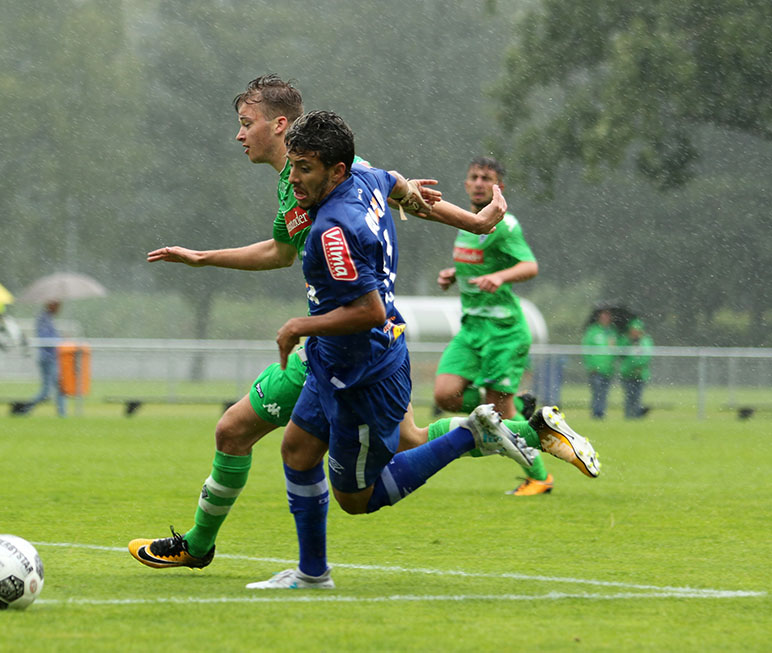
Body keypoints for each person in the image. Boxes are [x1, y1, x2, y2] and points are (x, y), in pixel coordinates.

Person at [129, 74, 522, 571]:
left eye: (246, 124)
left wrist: (476, 222)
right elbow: (281, 251)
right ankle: (522, 429)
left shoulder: (335, 175)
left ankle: (225, 551)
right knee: (393, 441)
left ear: (279, 124)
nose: (239, 134)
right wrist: (203, 258)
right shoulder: (293, 183)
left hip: (344, 344)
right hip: (350, 339)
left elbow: (394, 192)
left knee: (246, 437)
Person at [246, 111, 549, 589]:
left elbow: (368, 311)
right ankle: (311, 573)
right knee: (298, 450)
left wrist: (296, 326)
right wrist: (473, 220)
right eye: (294, 165)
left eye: (305, 168)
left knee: (357, 498)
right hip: (333, 358)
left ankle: (470, 436)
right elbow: (402, 186)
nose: (295, 178)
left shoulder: (333, 230)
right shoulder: (367, 176)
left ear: (336, 171)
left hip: (363, 371)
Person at [432, 157, 557, 496]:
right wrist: (454, 274)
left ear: (498, 186)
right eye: (473, 177)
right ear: (464, 183)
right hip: (472, 329)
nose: (477, 183)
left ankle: (540, 477)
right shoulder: (466, 223)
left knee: (497, 411)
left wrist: (499, 277)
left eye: (486, 178)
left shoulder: (505, 224)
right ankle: (516, 410)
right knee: (445, 394)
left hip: (504, 331)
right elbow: (476, 263)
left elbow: (529, 265)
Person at [14, 300, 66, 416]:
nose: (59, 309)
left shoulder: (47, 319)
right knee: (52, 389)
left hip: (50, 358)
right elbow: (45, 338)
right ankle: (24, 409)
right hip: (48, 358)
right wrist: (59, 340)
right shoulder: (44, 319)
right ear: (51, 305)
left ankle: (25, 409)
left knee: (53, 389)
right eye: (58, 306)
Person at [583, 308, 617, 419]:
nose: (605, 319)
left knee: (604, 393)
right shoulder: (593, 331)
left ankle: (601, 413)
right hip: (596, 369)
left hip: (608, 369)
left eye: (607, 316)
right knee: (597, 392)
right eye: (603, 316)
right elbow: (586, 349)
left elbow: (617, 350)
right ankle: (596, 413)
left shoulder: (612, 332)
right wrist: (590, 366)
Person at [619, 318, 652, 419]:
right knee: (629, 397)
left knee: (637, 396)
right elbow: (621, 353)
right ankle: (629, 416)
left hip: (640, 374)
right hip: (627, 374)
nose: (635, 332)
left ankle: (636, 415)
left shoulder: (645, 341)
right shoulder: (625, 340)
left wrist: (638, 365)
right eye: (633, 330)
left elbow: (647, 356)